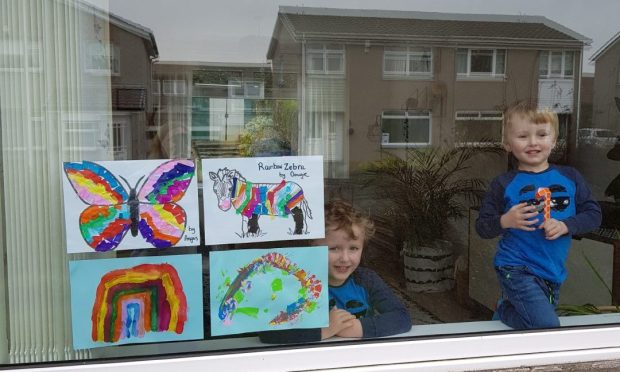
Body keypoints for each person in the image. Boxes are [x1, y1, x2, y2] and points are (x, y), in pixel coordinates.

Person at [476, 101, 602, 330]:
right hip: (516, 268)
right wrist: (505, 221)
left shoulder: (570, 177)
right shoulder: (503, 184)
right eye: (523, 136)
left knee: (533, 328)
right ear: (507, 144)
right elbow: (482, 227)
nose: (533, 142)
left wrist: (566, 225)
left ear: (553, 140)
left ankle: (508, 310)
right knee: (546, 326)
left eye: (542, 134)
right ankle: (504, 309)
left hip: (552, 271)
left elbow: (594, 215)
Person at [259, 200, 412, 343]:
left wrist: (358, 328)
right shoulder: (297, 283)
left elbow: (401, 317)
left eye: (353, 248)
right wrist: (325, 330)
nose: (345, 258)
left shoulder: (366, 280)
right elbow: (269, 332)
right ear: (312, 246)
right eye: (334, 248)